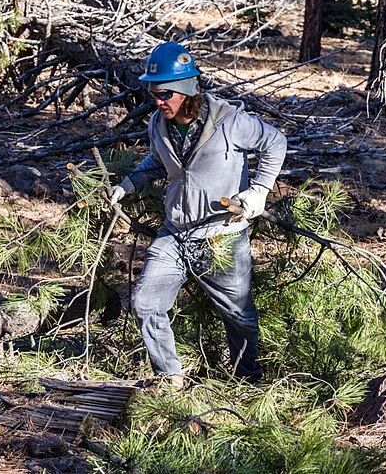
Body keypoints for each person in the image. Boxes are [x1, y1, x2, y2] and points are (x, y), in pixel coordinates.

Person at [108, 42, 287, 385]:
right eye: (153, 94)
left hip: (222, 235)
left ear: (186, 90)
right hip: (175, 233)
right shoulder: (158, 124)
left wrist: (260, 190)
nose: (158, 101)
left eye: (164, 94)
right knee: (145, 304)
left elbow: (275, 142)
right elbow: (159, 161)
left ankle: (246, 380)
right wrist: (128, 184)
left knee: (239, 316)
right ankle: (170, 380)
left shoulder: (229, 121)